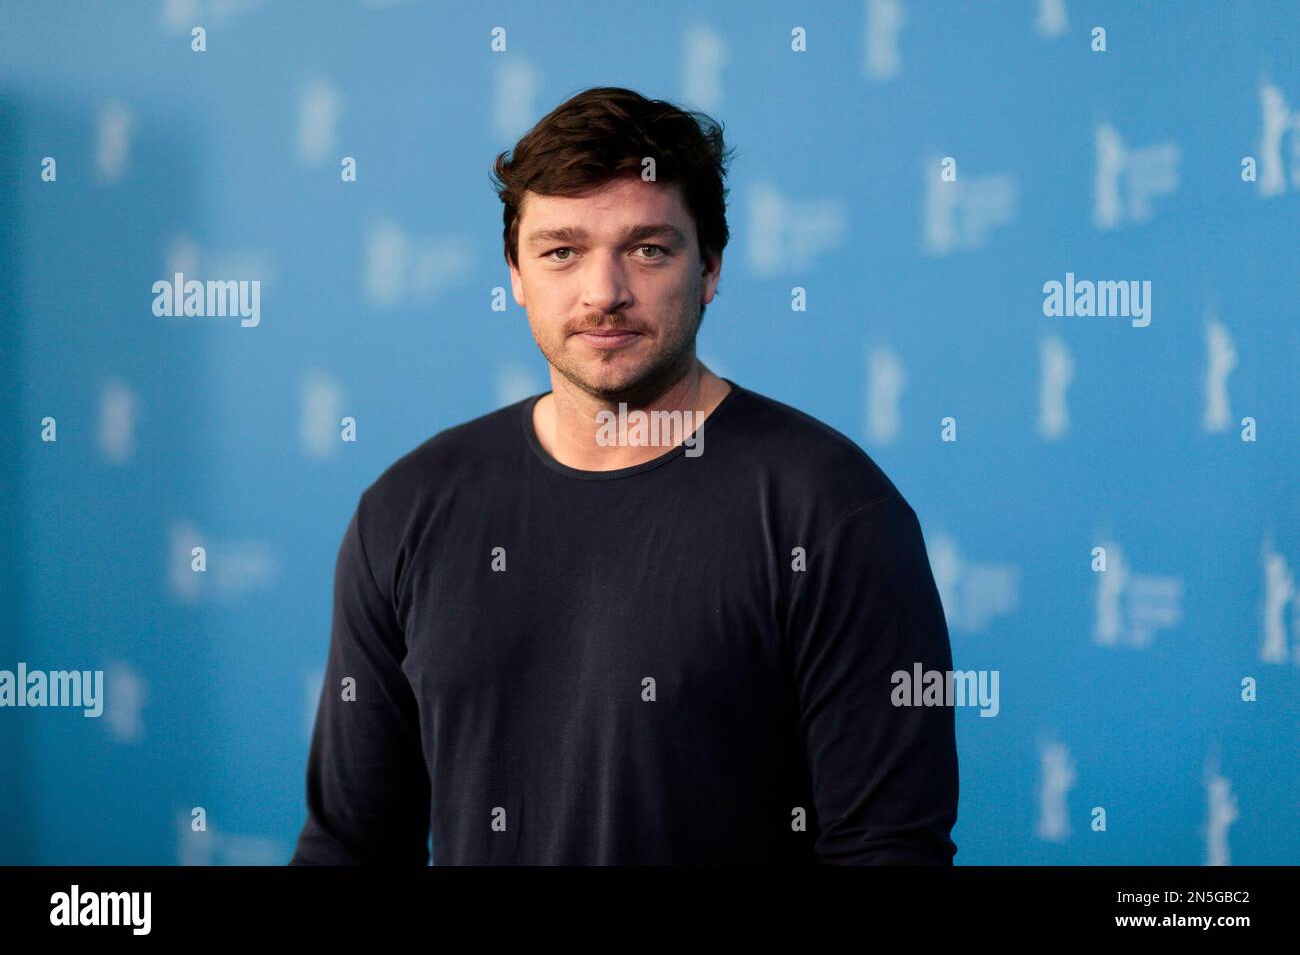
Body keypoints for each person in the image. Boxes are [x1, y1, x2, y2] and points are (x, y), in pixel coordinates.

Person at [289, 86, 958, 865]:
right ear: (515, 272)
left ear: (708, 268)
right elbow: (348, 848)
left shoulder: (833, 510)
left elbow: (887, 851)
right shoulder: (407, 510)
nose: (603, 294)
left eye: (647, 249)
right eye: (562, 251)